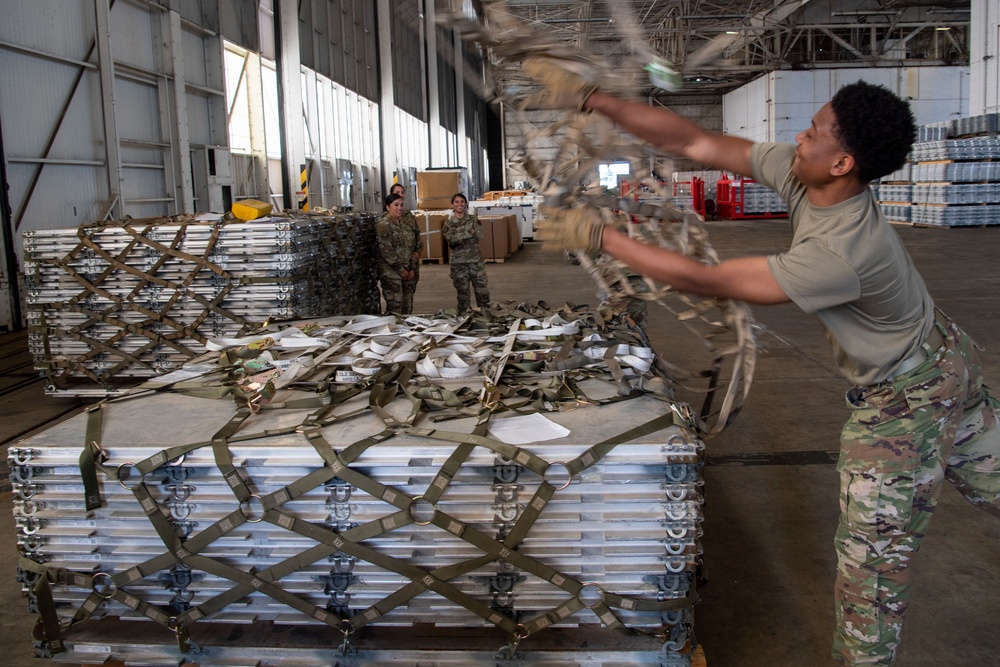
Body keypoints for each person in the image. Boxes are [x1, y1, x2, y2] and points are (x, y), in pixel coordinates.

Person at [527, 62, 1000, 667]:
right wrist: (594, 98)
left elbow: (709, 279)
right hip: (944, 355)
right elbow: (694, 140)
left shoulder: (842, 254)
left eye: (814, 132)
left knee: (871, 567)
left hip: (904, 404)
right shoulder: (808, 176)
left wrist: (602, 238)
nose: (799, 137)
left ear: (842, 164)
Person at [442, 193, 491, 311]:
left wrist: (459, 235)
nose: (460, 204)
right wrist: (468, 233)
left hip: (476, 262)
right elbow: (450, 239)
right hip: (458, 264)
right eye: (457, 202)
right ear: (452, 205)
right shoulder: (448, 224)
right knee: (463, 295)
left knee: (482, 292)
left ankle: (485, 317)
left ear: (465, 204)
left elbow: (480, 234)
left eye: (462, 202)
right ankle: (464, 319)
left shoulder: (473, 219)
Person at [377, 193, 420, 314]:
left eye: (401, 205)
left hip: (407, 270)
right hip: (391, 272)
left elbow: (411, 247)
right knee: (395, 306)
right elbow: (386, 251)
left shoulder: (404, 224)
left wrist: (412, 268)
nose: (399, 208)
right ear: (388, 207)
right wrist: (400, 269)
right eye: (396, 205)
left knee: (407, 306)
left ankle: (405, 330)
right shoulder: (384, 225)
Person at [390, 182, 422, 296]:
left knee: (408, 298)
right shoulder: (386, 221)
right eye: (397, 192)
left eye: (402, 192)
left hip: (411, 265)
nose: (400, 194)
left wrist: (417, 253)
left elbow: (417, 236)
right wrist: (400, 269)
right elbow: (386, 249)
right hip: (394, 268)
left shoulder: (409, 216)